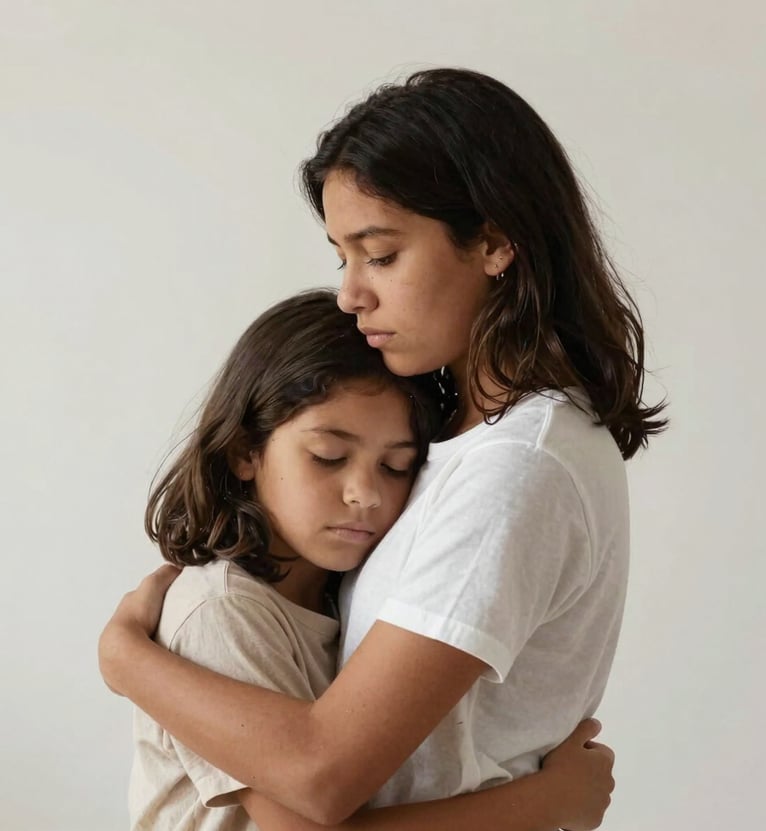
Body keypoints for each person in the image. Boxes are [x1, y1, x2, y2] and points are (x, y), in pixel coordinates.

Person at [101, 67, 665, 827]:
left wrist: (125, 659)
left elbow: (323, 772)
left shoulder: (518, 466)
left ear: (495, 241)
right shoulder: (460, 439)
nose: (351, 293)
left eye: (382, 254)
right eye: (343, 256)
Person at [128, 288, 614, 831]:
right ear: (246, 451)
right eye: (328, 457)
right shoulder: (221, 611)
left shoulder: (336, 598)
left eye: (396, 466)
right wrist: (550, 801)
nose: (365, 493)